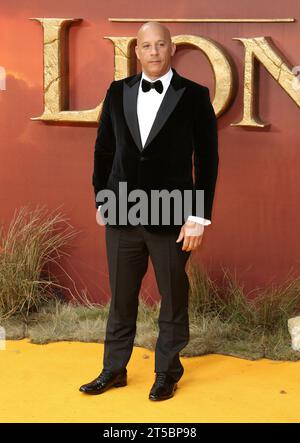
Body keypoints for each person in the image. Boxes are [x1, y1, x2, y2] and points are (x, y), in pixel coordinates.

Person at [79, 21, 218, 401]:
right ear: (136, 51)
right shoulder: (116, 91)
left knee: (173, 297)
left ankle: (167, 373)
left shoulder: (194, 95)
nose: (154, 52)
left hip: (172, 215)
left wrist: (197, 217)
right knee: (122, 297)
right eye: (146, 46)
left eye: (160, 45)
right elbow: (104, 150)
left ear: (172, 49)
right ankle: (113, 369)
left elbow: (206, 161)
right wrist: (102, 200)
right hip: (122, 212)